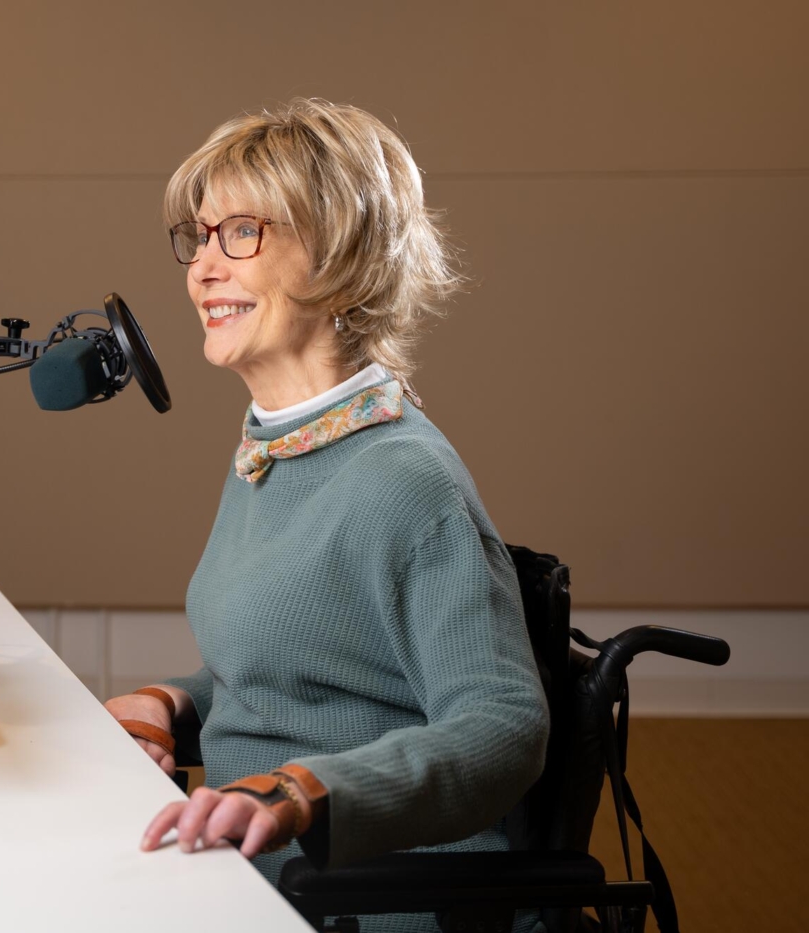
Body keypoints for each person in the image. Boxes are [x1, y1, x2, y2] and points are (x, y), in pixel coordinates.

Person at [104, 99, 551, 926]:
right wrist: (172, 700)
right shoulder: (277, 448)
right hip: (253, 873)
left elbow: (504, 724)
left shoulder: (404, 481)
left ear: (341, 251)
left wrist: (305, 791)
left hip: (368, 897)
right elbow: (307, 662)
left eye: (241, 231)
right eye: (199, 238)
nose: (203, 268)